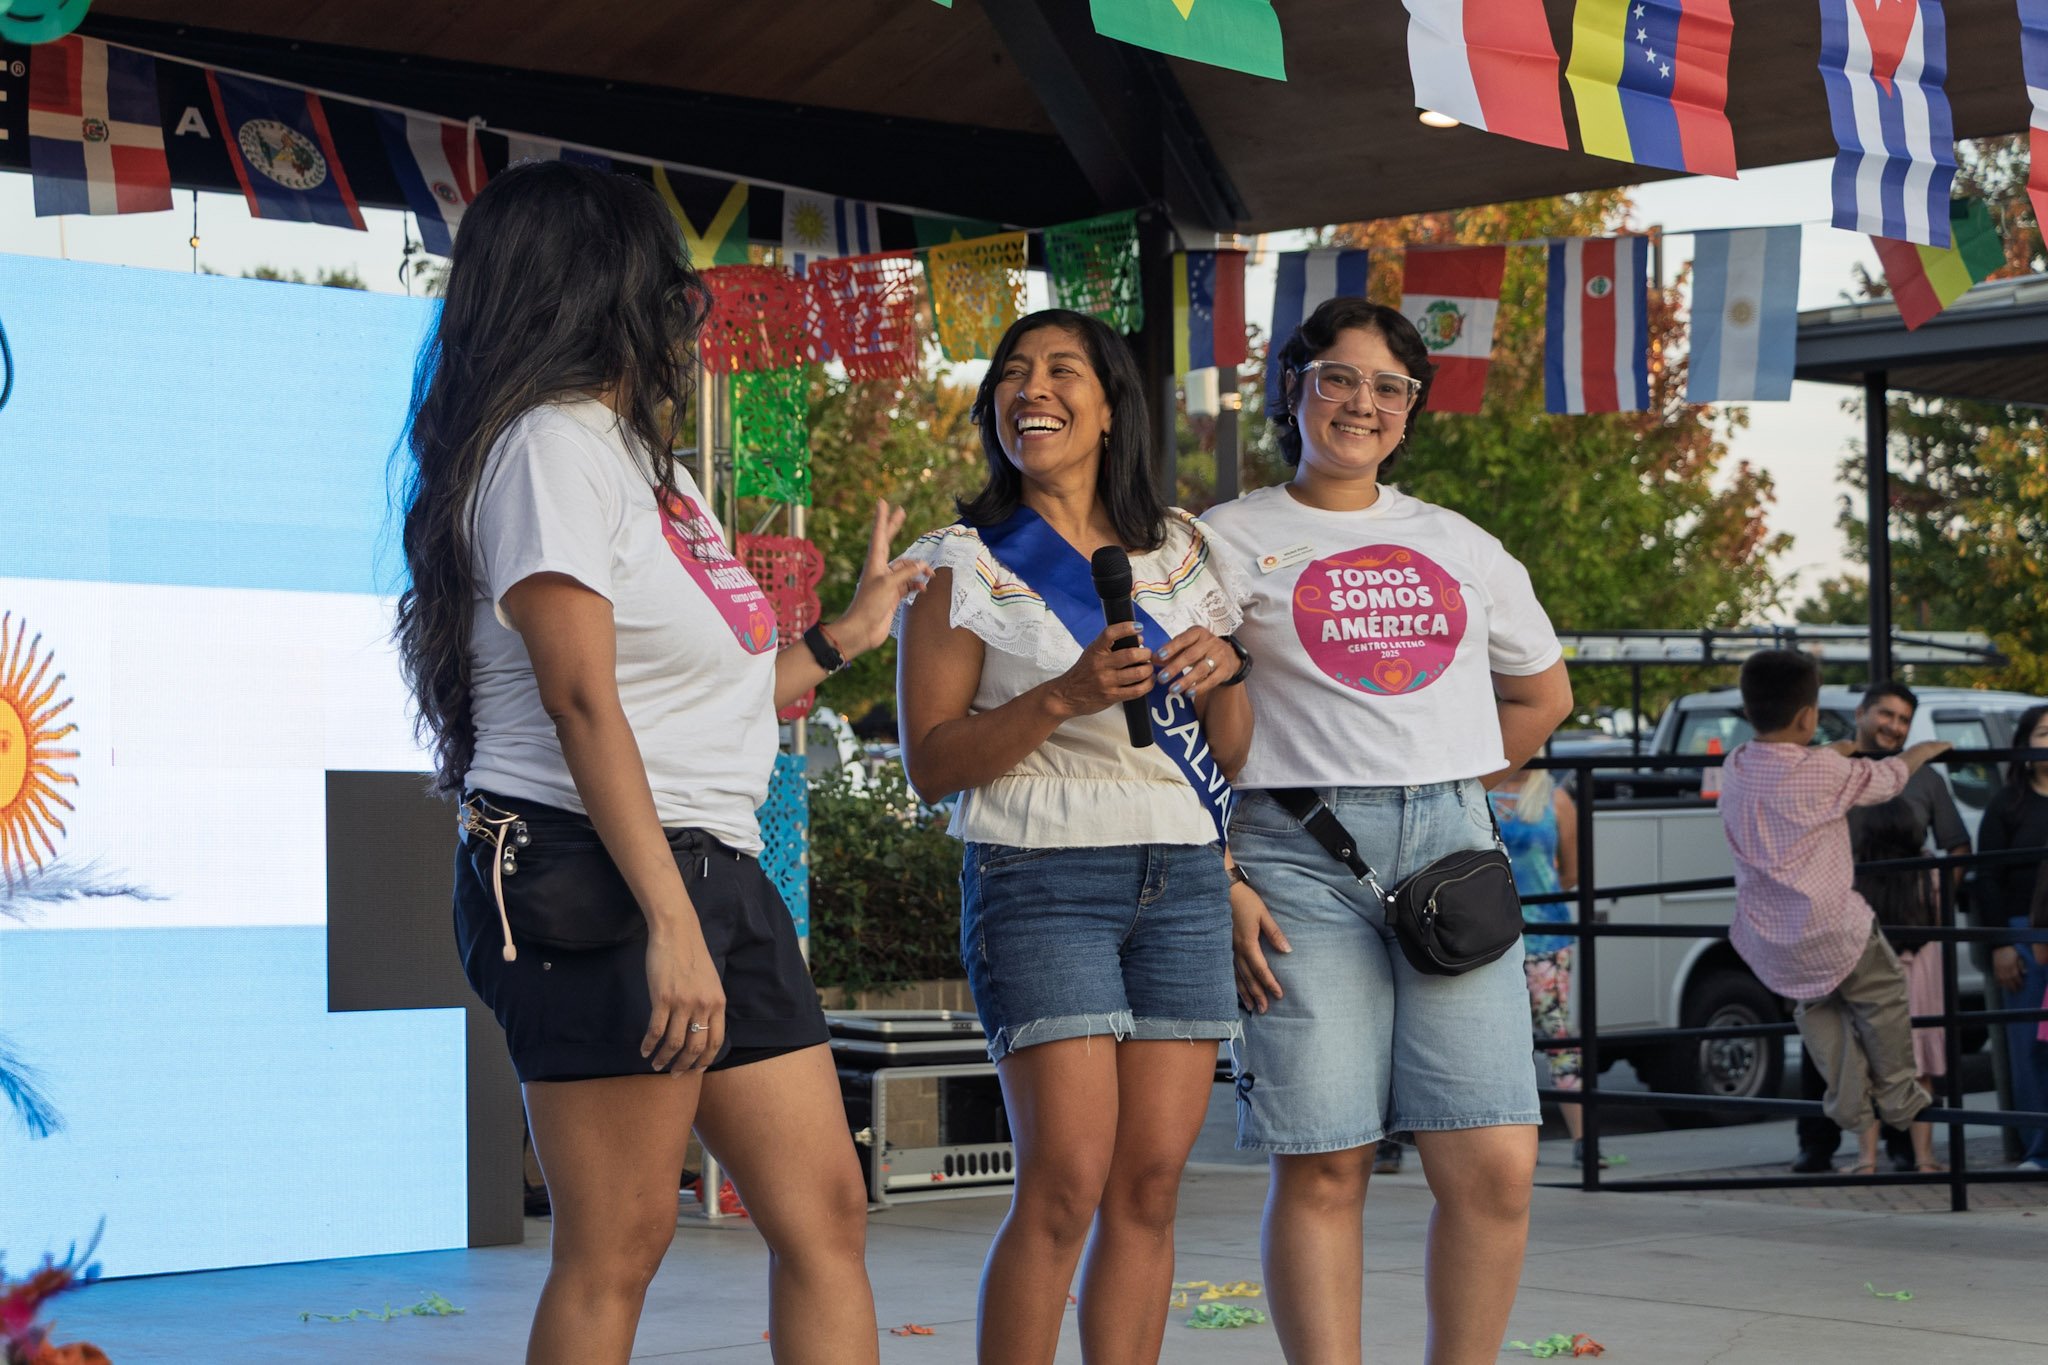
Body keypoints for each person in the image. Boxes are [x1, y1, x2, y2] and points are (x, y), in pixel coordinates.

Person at [392, 161, 926, 1365]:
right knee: (620, 1242)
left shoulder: (651, 471)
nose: (687, 308)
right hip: (599, 877)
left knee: (823, 1215)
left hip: (707, 869)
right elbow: (581, 701)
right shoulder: (547, 446)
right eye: (664, 279)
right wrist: (668, 921)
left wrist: (846, 633)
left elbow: (719, 694)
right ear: (602, 287)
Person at [1204, 298, 1572, 1365]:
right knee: (1325, 1161)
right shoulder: (1227, 540)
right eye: (1335, 377)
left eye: (1387, 387)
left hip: (1447, 848)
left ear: (1409, 412)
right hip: (1289, 856)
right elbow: (1182, 727)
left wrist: (1439, 778)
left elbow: (1541, 697)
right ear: (1294, 389)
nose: (1360, 402)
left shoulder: (1457, 545)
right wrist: (1218, 871)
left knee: (1494, 1165)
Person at [894, 309, 1254, 1365]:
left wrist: (1223, 672)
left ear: (1109, 408)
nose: (1029, 387)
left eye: (1059, 369)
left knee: (1147, 1186)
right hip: (1039, 880)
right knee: (1061, 1184)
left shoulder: (1182, 550)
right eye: (1010, 373)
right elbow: (930, 765)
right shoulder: (962, 563)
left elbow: (1227, 751)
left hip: (1182, 875)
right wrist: (1058, 696)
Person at [1718, 651, 1949, 1178]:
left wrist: (1839, 748)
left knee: (1817, 1012)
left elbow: (1822, 758)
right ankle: (1898, 1097)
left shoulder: (1736, 767)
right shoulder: (1824, 772)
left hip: (1770, 938)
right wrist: (1923, 752)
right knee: (1884, 996)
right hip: (1833, 926)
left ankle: (1847, 1104)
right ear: (1808, 716)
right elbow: (1889, 777)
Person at [1793, 681, 1969, 1174]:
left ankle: (1902, 1149)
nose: (1894, 726)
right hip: (1838, 924)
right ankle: (1817, 1144)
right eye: (1885, 715)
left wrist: (1933, 902)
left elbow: (1958, 845)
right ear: (1861, 712)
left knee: (1904, 1040)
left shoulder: (1925, 779)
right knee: (1829, 1039)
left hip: (1907, 930)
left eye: (1903, 720)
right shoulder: (1831, 768)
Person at [1489, 765, 1593, 1165]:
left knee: (1556, 1031)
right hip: (1488, 935)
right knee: (1492, 1040)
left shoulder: (1555, 797)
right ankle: (1496, 1143)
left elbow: (1571, 871)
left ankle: (1584, 1140)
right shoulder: (1479, 791)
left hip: (1546, 934)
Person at [1976, 704, 2048, 1169]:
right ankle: (2038, 1150)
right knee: (2030, 1046)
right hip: (2024, 933)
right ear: (2022, 745)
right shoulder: (2005, 805)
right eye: (2043, 733)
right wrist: (2001, 944)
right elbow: (1987, 879)